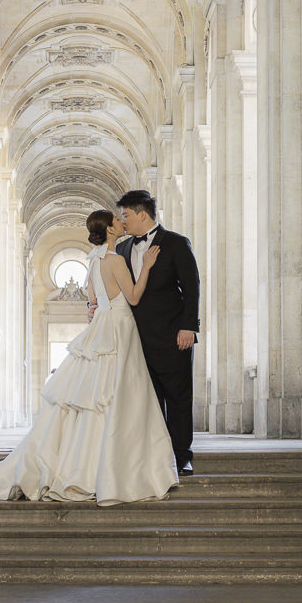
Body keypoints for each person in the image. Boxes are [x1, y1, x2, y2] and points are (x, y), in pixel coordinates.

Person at [0, 209, 178, 504]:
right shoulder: (115, 260)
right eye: (117, 221)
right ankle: (113, 470)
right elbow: (133, 297)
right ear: (110, 230)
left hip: (100, 329)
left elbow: (93, 301)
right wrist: (147, 265)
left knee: (93, 399)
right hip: (119, 329)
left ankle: (82, 464)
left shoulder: (92, 262)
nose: (122, 223)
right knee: (119, 397)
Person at [115, 189, 200, 476]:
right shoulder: (122, 249)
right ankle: (152, 455)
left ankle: (181, 456)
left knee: (178, 397)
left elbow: (192, 287)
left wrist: (189, 326)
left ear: (142, 214)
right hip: (136, 339)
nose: (122, 221)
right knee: (146, 400)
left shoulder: (176, 243)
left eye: (125, 215)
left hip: (174, 335)